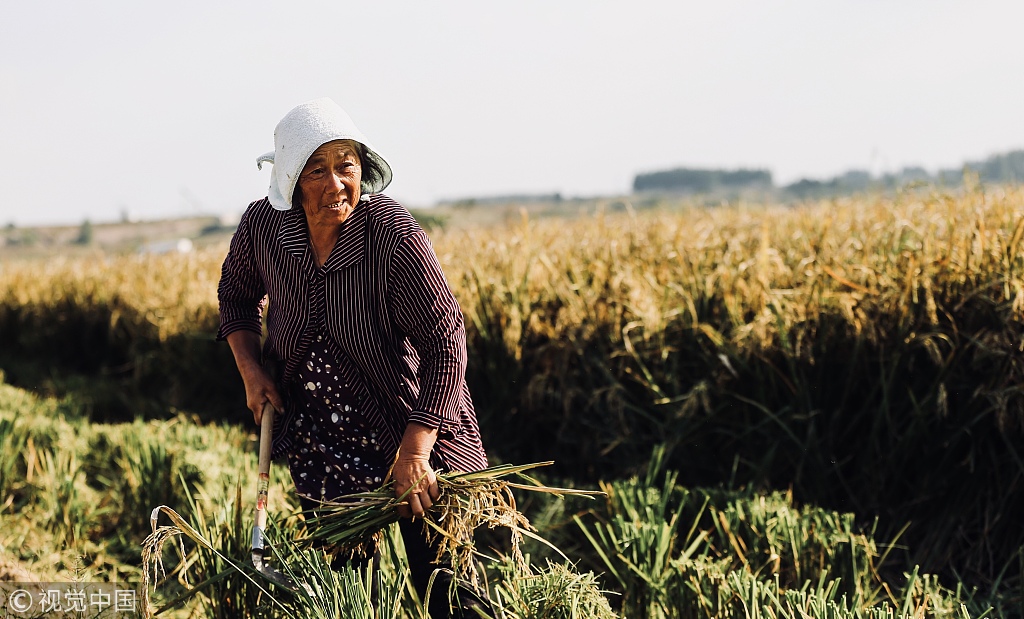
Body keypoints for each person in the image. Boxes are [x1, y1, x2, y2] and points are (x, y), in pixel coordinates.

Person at [216, 97, 490, 617]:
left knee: (450, 593)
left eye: (346, 165)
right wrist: (252, 372)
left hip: (414, 433)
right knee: (344, 600)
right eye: (316, 170)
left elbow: (446, 342)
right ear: (292, 181)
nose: (336, 183)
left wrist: (414, 452)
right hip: (325, 444)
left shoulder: (390, 235)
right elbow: (235, 297)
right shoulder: (264, 229)